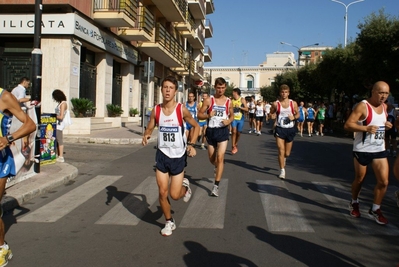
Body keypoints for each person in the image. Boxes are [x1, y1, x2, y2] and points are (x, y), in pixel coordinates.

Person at [142, 76, 199, 236]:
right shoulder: (157, 110)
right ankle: (169, 222)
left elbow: (196, 126)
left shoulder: (181, 110)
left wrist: (192, 144)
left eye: (170, 88)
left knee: (174, 195)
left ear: (175, 91)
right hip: (162, 154)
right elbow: (151, 125)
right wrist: (146, 134)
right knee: (162, 192)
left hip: (178, 156)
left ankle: (185, 188)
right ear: (161, 89)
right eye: (165, 87)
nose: (167, 90)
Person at [344, 81, 391, 225]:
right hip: (362, 149)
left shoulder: (384, 107)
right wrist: (366, 129)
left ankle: (375, 209)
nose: (383, 96)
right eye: (380, 93)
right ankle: (354, 202)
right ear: (373, 91)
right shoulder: (363, 106)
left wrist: (387, 125)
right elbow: (347, 125)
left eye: (386, 93)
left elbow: (381, 124)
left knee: (383, 181)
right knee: (360, 179)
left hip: (379, 149)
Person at [0, 86, 36, 266]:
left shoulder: (4, 96)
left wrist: (8, 139)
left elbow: (30, 124)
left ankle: (1, 249)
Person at [197, 77, 234, 197]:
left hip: (222, 131)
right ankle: (216, 166)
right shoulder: (209, 100)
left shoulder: (229, 101)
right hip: (211, 131)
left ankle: (216, 186)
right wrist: (208, 115)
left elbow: (232, 115)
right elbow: (199, 115)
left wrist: (229, 121)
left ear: (225, 88)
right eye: (218, 88)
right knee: (212, 159)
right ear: (215, 87)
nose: (221, 90)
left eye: (223, 88)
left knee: (221, 156)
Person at [270, 84, 299, 179]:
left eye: (286, 92)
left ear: (288, 93)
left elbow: (298, 114)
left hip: (290, 129)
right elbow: (271, 113)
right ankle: (282, 170)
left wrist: (294, 117)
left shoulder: (293, 103)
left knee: (287, 153)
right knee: (280, 150)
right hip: (280, 128)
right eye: (282, 92)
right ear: (280, 93)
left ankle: (284, 159)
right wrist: (272, 116)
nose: (284, 94)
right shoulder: (276, 104)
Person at [52, 89, 71, 163]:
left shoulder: (63, 104)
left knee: (59, 140)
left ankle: (61, 156)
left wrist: (53, 116)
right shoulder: (60, 103)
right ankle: (57, 154)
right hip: (56, 124)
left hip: (59, 124)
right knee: (56, 140)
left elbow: (61, 116)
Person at [230, 88, 248, 154]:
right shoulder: (231, 101)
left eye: (233, 92)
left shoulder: (242, 100)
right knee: (234, 131)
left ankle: (236, 143)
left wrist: (240, 107)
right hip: (234, 118)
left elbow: (246, 109)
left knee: (238, 132)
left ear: (236, 93)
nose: (232, 94)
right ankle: (233, 146)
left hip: (240, 118)